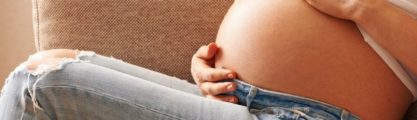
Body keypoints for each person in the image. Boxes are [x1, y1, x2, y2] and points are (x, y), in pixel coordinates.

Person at [0, 0, 415, 120]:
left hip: (305, 116)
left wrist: (362, 7)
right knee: (56, 58)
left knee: (39, 84)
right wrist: (213, 65)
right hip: (238, 97)